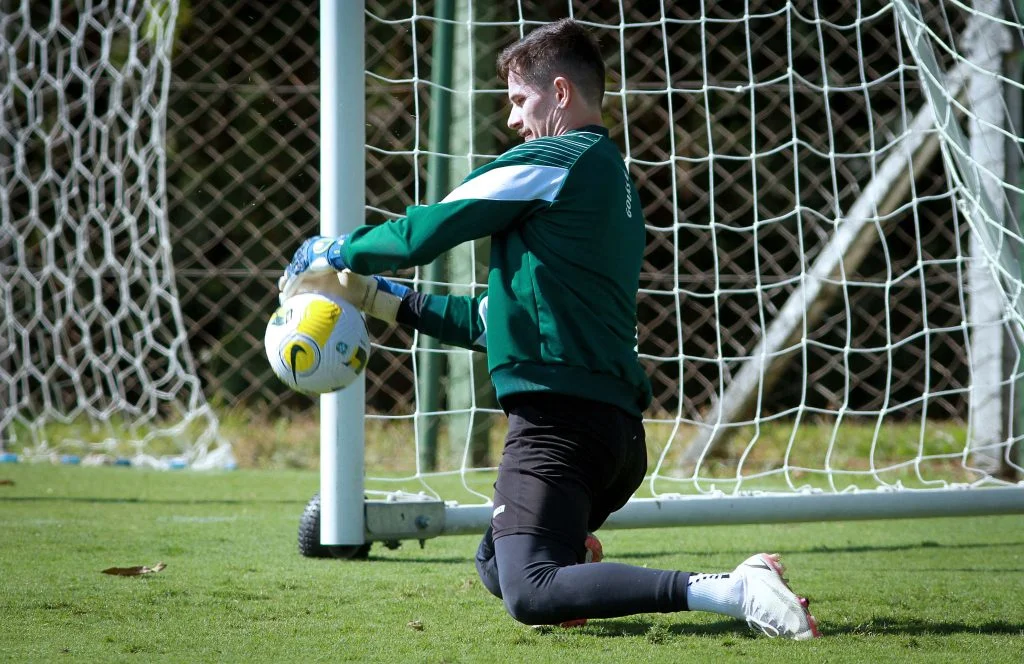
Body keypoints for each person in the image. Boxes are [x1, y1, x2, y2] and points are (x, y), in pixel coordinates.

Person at [279, 18, 819, 640]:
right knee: (493, 565)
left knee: (529, 591)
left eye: (517, 99)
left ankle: (733, 589)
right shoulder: (609, 180)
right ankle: (578, 566)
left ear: (559, 94)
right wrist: (385, 302)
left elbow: (429, 227)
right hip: (613, 437)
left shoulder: (554, 158)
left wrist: (336, 250)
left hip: (559, 428)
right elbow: (497, 322)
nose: (512, 120)